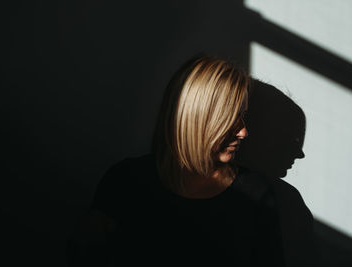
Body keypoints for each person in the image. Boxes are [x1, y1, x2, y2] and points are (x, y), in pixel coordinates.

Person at [67, 55, 285, 266]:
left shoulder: (256, 193)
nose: (243, 132)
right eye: (231, 118)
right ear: (196, 117)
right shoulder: (126, 181)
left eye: (243, 116)